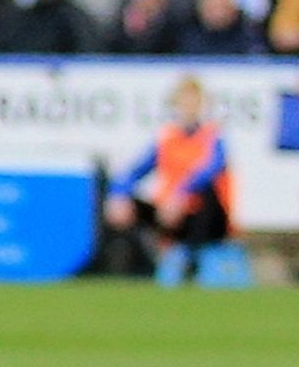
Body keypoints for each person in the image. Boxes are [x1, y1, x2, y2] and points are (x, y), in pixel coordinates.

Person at [103, 76, 249, 287]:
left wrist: (181, 193)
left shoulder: (212, 138)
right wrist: (119, 193)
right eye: (183, 103)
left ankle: (192, 262)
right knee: (126, 205)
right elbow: (134, 170)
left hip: (207, 217)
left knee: (206, 193)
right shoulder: (167, 138)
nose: (188, 109)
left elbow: (210, 170)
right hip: (170, 213)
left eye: (194, 103)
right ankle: (134, 267)